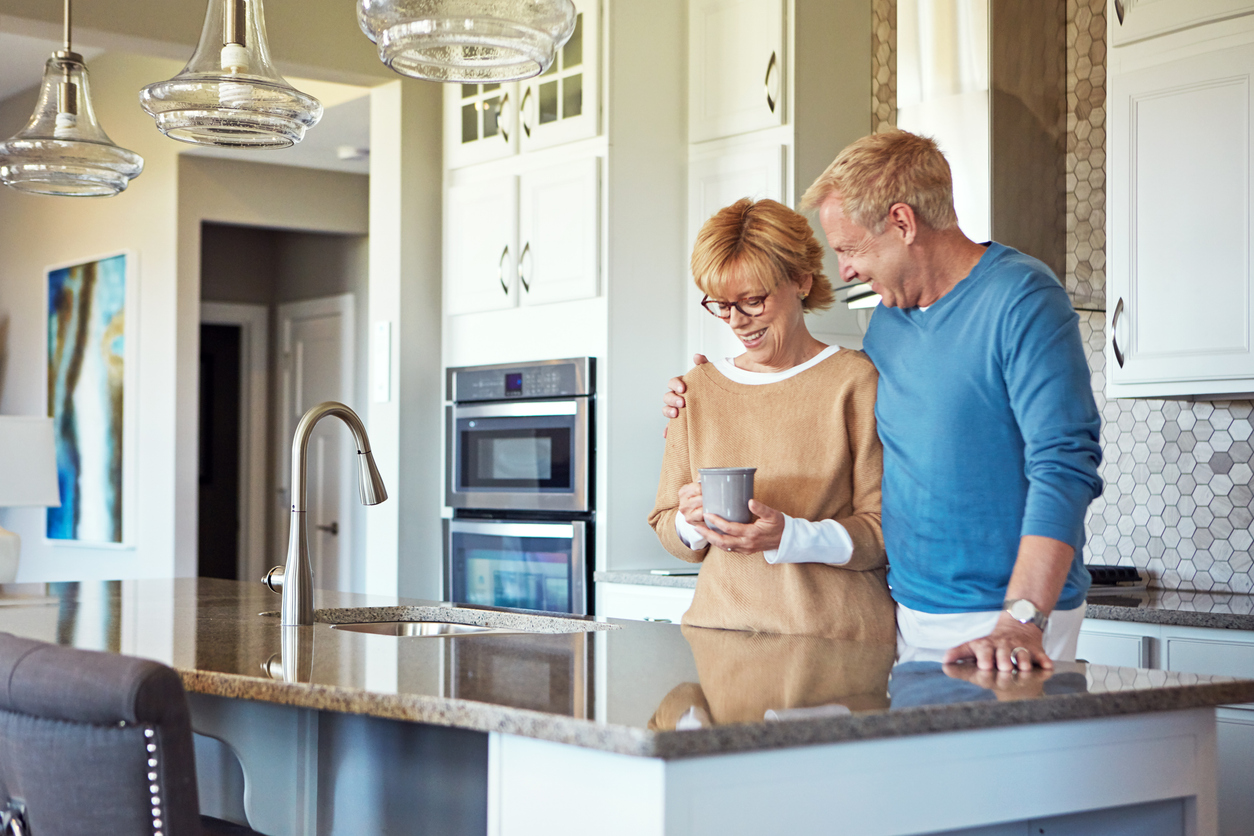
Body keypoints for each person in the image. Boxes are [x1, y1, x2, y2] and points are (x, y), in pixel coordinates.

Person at [663, 131, 1102, 671]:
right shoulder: (888, 326)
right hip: (910, 610)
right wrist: (714, 391)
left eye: (848, 249)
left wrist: (1023, 618)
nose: (844, 270)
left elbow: (1065, 465)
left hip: (1004, 616)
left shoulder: (1022, 298)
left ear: (903, 222)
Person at [647, 198, 895, 643]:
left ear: (801, 280)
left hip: (834, 641)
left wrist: (789, 536)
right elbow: (666, 525)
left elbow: (883, 533)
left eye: (752, 301)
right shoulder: (696, 390)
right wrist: (690, 522)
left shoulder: (856, 381)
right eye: (722, 305)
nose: (737, 322)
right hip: (718, 637)